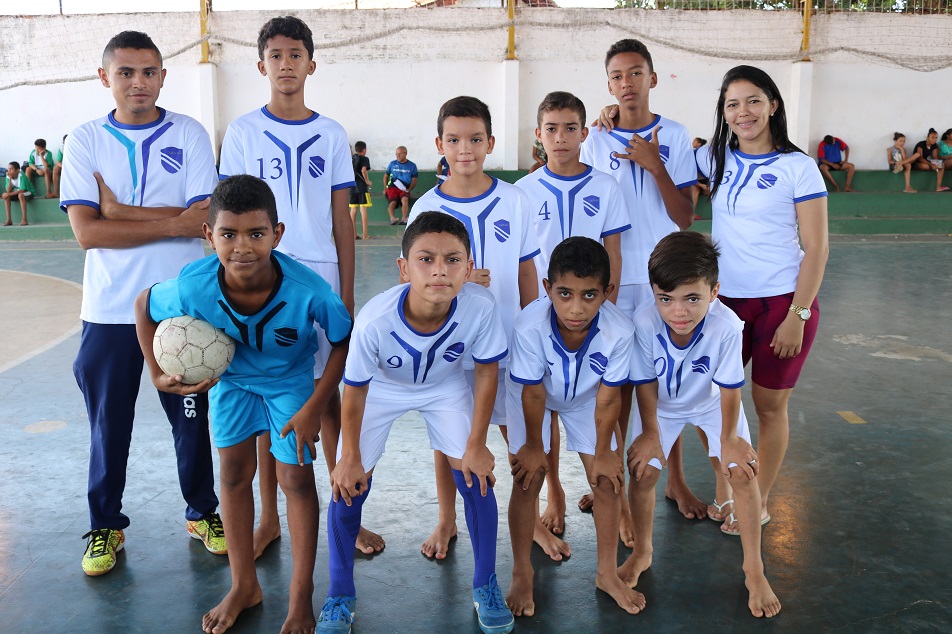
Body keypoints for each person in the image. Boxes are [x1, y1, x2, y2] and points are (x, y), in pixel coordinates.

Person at [134, 174, 352, 634]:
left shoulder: (309, 290)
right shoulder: (193, 286)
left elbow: (342, 340)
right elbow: (143, 305)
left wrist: (315, 405)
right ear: (208, 235)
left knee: (295, 479)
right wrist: (155, 373)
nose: (242, 247)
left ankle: (300, 594)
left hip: (288, 385)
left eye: (256, 233)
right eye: (228, 234)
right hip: (231, 383)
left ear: (277, 233)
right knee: (233, 475)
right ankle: (244, 585)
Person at [218, 15, 383, 559]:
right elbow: (230, 217)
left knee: (327, 397)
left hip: (319, 275)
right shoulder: (243, 132)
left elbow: (341, 219)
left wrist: (347, 291)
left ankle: (345, 516)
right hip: (259, 273)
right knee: (271, 395)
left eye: (295, 55)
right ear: (260, 64)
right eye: (276, 55)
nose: (285, 64)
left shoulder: (331, 133)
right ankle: (269, 519)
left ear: (312, 64)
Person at [60, 30, 223, 576]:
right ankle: (105, 525)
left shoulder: (190, 132)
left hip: (182, 306)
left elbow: (202, 221)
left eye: (149, 72)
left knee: (192, 417)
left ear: (163, 76)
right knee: (109, 424)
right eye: (125, 72)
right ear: (104, 77)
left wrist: (119, 211)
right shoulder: (85, 140)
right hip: (108, 310)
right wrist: (172, 221)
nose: (138, 82)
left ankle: (203, 513)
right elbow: (87, 233)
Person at [319, 212, 514, 634]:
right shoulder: (375, 320)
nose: (440, 270)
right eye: (426, 259)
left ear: (468, 267)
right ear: (404, 268)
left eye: (452, 260)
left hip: (444, 386)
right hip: (381, 389)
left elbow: (486, 373)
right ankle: (339, 595)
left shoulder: (481, 307)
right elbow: (355, 390)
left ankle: (486, 584)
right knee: (348, 483)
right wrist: (348, 456)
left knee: (477, 476)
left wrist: (477, 444)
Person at [696, 64, 829, 533]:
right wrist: (610, 116)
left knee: (769, 407)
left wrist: (798, 314)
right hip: (724, 306)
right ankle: (726, 487)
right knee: (710, 399)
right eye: (732, 104)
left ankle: (761, 499)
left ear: (773, 104)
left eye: (753, 100)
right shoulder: (713, 158)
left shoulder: (798, 167)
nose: (744, 112)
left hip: (781, 305)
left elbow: (817, 247)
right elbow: (656, 154)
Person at [409, 95, 540, 562]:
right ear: (439, 144)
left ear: (490, 142)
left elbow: (526, 270)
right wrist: (457, 280)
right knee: (448, 437)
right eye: (454, 139)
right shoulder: (425, 206)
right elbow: (413, 282)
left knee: (517, 434)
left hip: (505, 341)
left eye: (475, 139)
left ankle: (531, 522)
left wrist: (533, 329)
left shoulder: (515, 199)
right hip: (448, 346)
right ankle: (446, 518)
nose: (464, 149)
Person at [625, 230, 781, 619]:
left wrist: (729, 440)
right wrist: (650, 433)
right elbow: (644, 383)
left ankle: (754, 569)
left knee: (742, 472)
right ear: (653, 292)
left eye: (692, 298)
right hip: (661, 406)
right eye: (666, 298)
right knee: (643, 472)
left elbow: (729, 389)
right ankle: (643, 551)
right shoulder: (643, 320)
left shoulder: (727, 326)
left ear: (714, 292)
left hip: (711, 403)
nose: (678, 311)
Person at [583, 38, 702, 531]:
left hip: (661, 278)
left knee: (663, 383)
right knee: (612, 386)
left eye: (635, 73)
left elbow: (686, 216)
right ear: (608, 85)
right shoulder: (596, 137)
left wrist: (656, 165)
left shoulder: (675, 135)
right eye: (617, 75)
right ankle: (610, 479)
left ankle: (674, 479)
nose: (626, 82)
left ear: (652, 78)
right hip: (613, 278)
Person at [514, 90, 629, 553]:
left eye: (569, 128)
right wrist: (535, 313)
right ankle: (555, 492)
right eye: (551, 129)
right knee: (544, 408)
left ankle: (615, 504)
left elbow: (614, 253)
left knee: (601, 400)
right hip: (548, 313)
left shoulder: (606, 186)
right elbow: (524, 262)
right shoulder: (524, 191)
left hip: (590, 310)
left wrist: (603, 306)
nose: (560, 137)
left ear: (584, 133)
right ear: (538, 135)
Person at [506, 236, 643, 619]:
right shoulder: (529, 325)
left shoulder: (620, 330)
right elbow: (533, 393)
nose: (576, 308)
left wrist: (603, 452)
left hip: (588, 399)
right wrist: (534, 446)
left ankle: (606, 573)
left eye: (589, 295)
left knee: (607, 480)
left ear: (607, 293)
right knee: (528, 476)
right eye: (564, 294)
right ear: (547, 288)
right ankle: (522, 570)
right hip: (531, 395)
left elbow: (609, 398)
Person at [384, 146, 418, 224]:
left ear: (405, 154)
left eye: (400, 154)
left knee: (405, 199)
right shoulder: (392, 164)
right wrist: (385, 188)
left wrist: (409, 189)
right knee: (392, 202)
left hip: (404, 188)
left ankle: (404, 218)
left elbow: (414, 180)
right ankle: (392, 218)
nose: (398, 156)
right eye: (396, 154)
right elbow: (386, 176)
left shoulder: (412, 166)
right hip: (393, 187)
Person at [349, 141, 372, 240]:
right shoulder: (365, 159)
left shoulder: (352, 158)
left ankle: (353, 234)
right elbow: (363, 170)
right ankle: (365, 234)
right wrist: (367, 181)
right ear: (364, 150)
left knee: (353, 210)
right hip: (361, 187)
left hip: (352, 187)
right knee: (363, 209)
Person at [3, 161, 34, 226]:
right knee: (7, 197)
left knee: (20, 195)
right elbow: (8, 190)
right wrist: (10, 179)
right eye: (8, 169)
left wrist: (8, 194)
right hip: (17, 193)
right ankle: (9, 219)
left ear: (17, 170)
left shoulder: (21, 175)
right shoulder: (8, 176)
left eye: (11, 169)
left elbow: (22, 190)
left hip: (28, 192)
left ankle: (24, 219)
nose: (9, 170)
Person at [53, 134, 66, 201]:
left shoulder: (77, 147)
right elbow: (58, 162)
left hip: (74, 166)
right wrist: (64, 166)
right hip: (65, 166)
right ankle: (55, 192)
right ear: (63, 142)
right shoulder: (62, 149)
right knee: (55, 169)